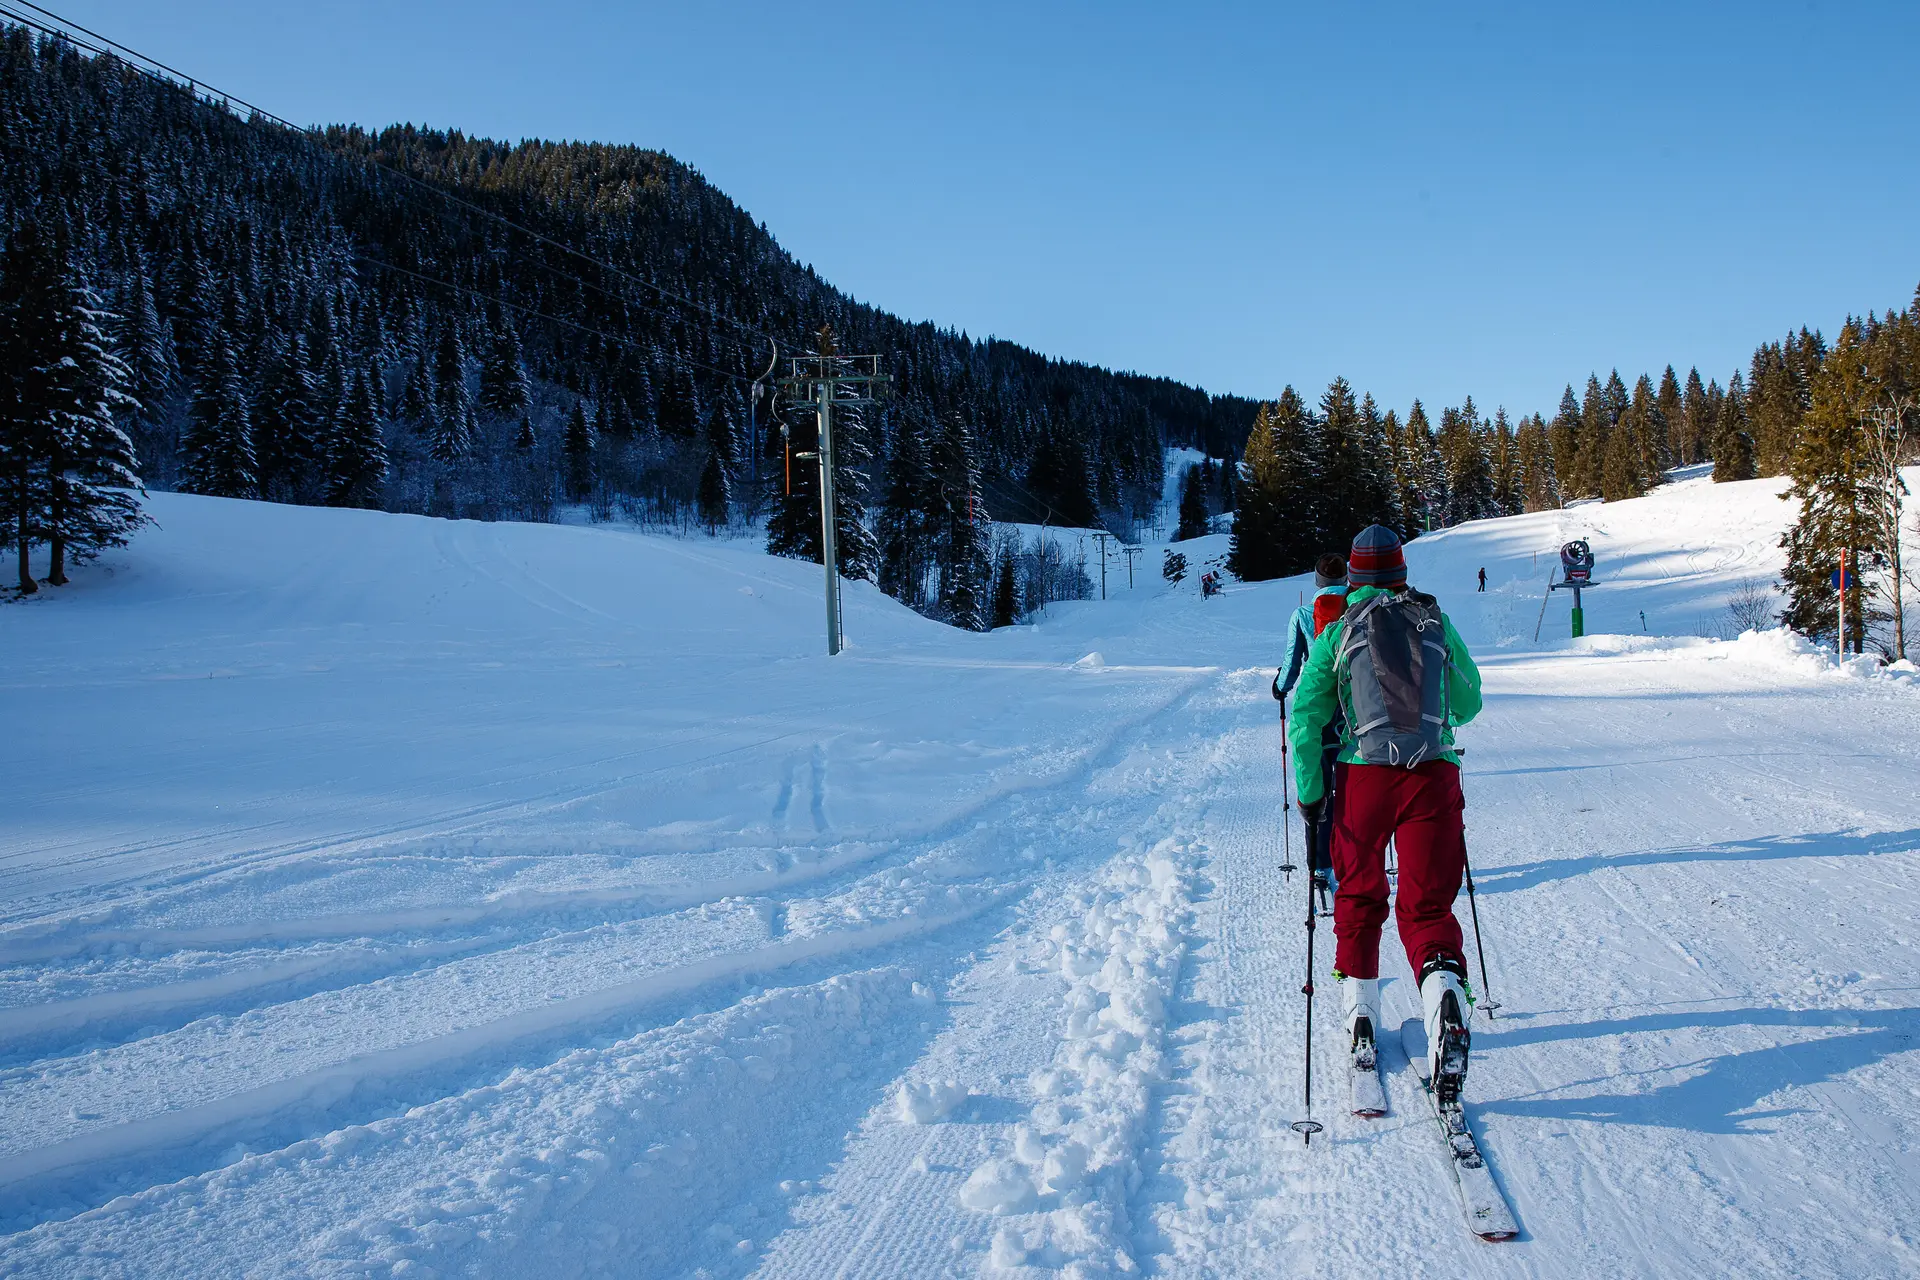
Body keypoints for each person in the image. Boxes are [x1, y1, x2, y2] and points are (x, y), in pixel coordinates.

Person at [1288, 525, 1483, 1100]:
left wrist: (1310, 794)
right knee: (1426, 906)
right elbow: (1468, 701)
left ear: (1351, 576)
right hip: (1432, 776)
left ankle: (1361, 1018)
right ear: (1401, 571)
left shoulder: (1337, 632)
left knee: (1360, 895)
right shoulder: (1431, 619)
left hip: (1362, 780)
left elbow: (1306, 718)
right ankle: (1443, 994)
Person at [1271, 552, 1350, 898]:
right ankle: (1353, 858)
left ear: (1316, 582)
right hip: (1351, 710)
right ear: (1346, 578)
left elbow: (1292, 661)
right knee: (1351, 785)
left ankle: (1318, 866)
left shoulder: (1303, 615)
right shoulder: (1359, 609)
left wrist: (1280, 688)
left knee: (1314, 786)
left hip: (1314, 708)